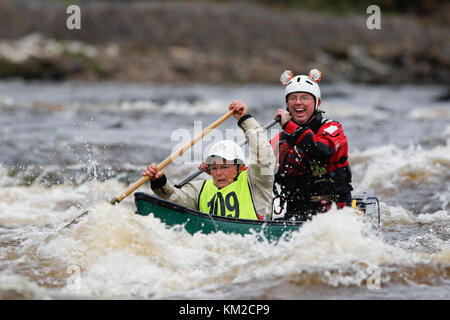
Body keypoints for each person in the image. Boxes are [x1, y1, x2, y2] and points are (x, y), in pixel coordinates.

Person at [143, 101, 275, 220]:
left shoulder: (256, 183)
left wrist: (244, 119)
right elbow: (173, 198)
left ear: (240, 168)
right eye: (214, 167)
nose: (218, 173)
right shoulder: (200, 189)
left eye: (224, 167)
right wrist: (158, 180)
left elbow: (263, 155)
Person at [270, 69, 353, 221]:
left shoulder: (332, 129)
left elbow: (322, 151)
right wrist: (244, 119)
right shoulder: (279, 140)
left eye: (305, 98)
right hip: (296, 214)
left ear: (317, 102)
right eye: (293, 98)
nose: (298, 102)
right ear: (287, 104)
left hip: (335, 214)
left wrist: (289, 126)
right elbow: (258, 173)